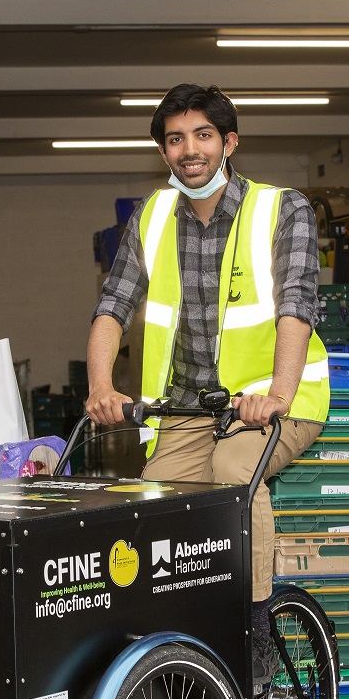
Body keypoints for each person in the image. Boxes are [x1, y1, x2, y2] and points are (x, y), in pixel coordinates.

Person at [84, 83, 329, 668]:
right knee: (156, 500)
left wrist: (277, 395)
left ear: (229, 142)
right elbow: (111, 309)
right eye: (175, 139)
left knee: (232, 472)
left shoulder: (281, 207)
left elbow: (296, 306)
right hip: (190, 408)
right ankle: (181, 632)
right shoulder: (152, 217)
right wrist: (100, 387)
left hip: (280, 403)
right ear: (163, 151)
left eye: (202, 135)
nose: (189, 149)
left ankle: (256, 632)